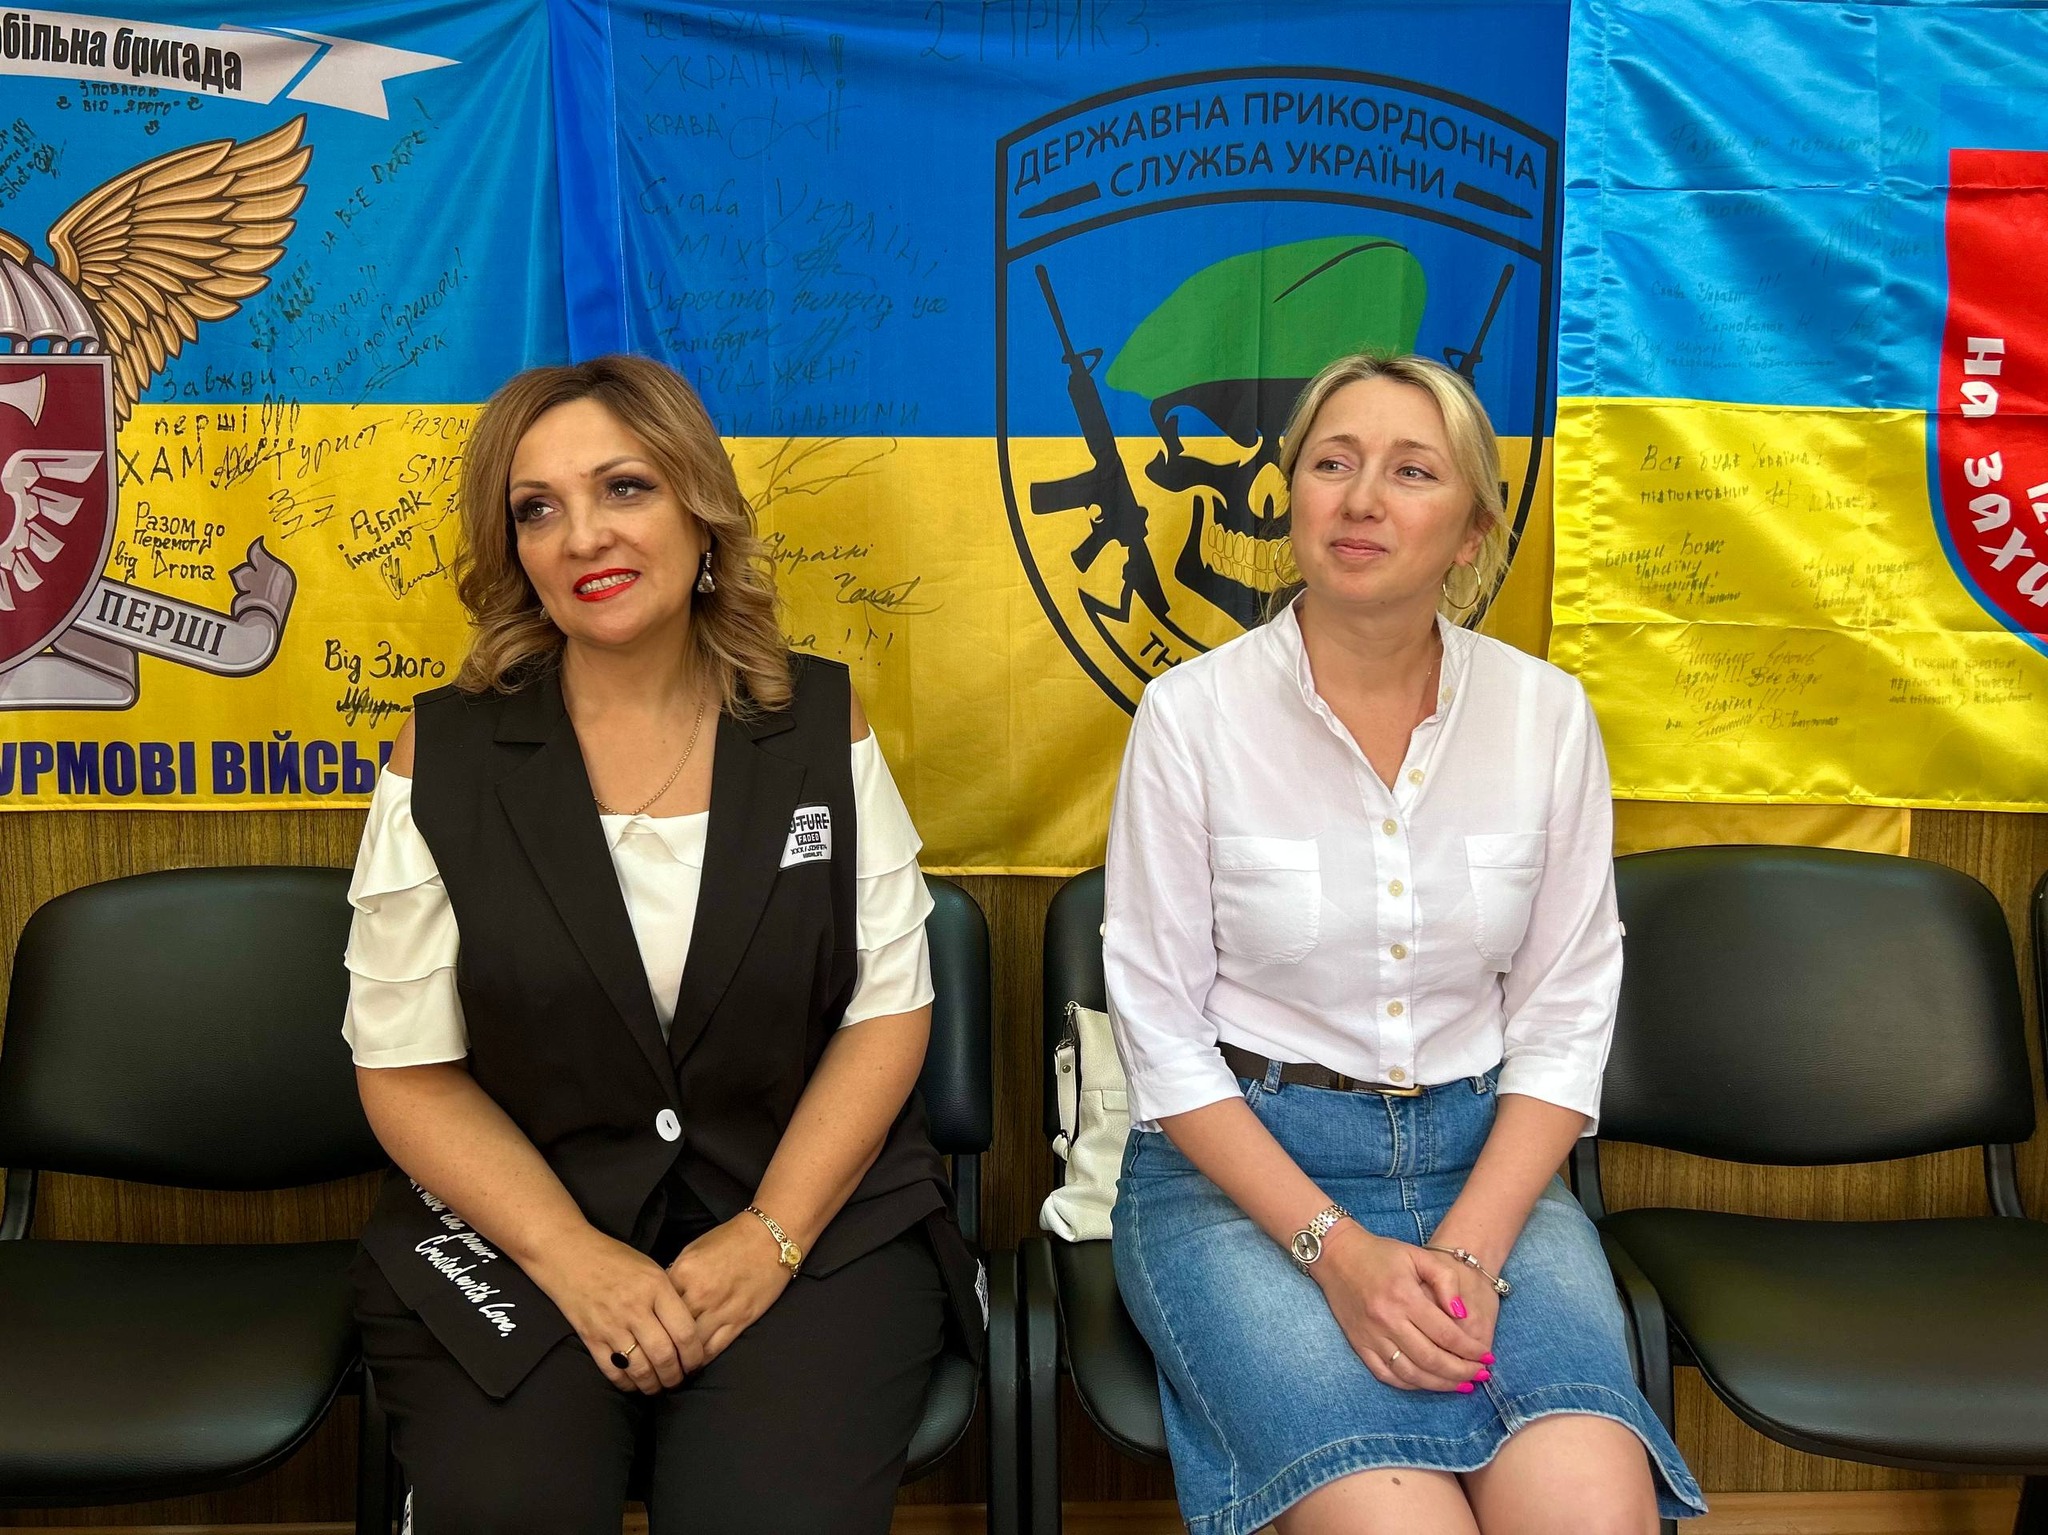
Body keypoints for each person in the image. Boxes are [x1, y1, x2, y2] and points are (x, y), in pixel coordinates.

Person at [341, 355, 981, 1534]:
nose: (583, 534)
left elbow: (887, 1008)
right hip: (522, 1228)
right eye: (537, 508)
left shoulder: (816, 723)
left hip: (810, 1218)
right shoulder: (443, 758)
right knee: (517, 1506)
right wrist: (567, 1255)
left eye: (623, 486)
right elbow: (404, 1067)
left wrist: (771, 1235)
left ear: (699, 506)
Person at [1103, 352, 1707, 1535]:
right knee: (1399, 1521)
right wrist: (1339, 1254)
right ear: (1289, 495)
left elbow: (1564, 1012)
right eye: (1331, 462)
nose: (1361, 498)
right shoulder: (1190, 715)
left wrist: (1470, 1250)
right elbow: (1161, 1036)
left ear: (1473, 530)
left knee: (1589, 1510)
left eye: (1411, 471)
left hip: (1484, 1172)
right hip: (1242, 1181)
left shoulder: (1544, 716)